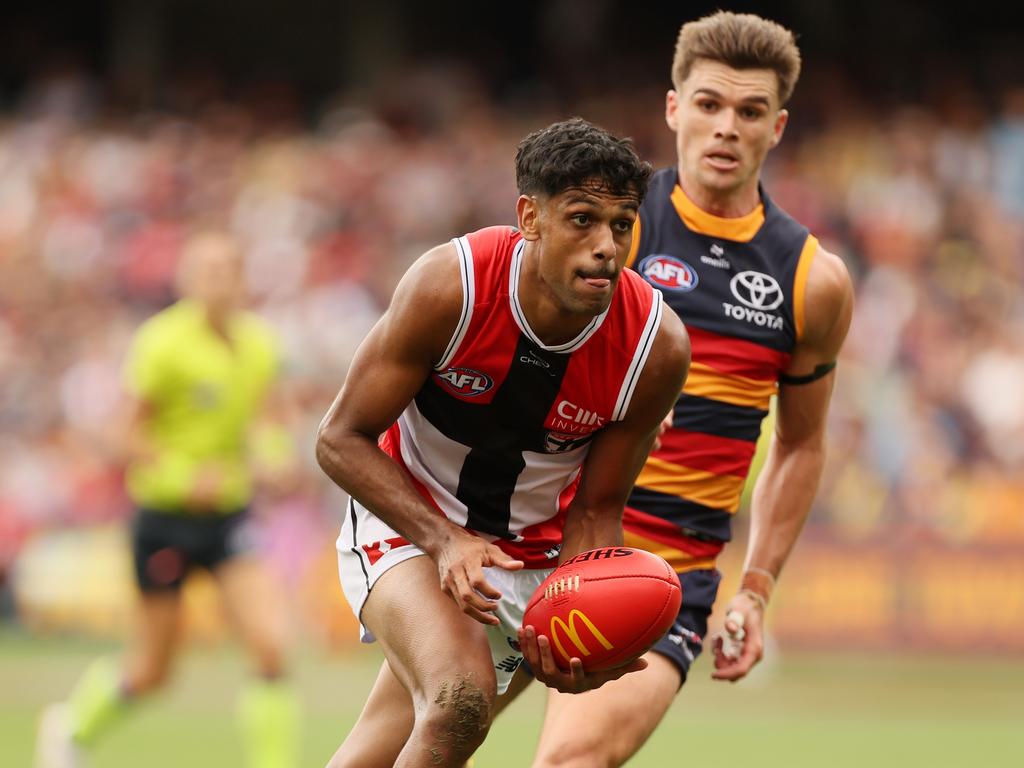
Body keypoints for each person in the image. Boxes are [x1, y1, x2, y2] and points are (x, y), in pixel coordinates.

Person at [522, 12, 855, 767]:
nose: (726, 127)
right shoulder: (611, 231)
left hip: (653, 572)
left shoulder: (812, 281)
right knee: (439, 724)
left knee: (569, 761)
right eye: (708, 104)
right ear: (674, 109)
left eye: (749, 111)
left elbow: (801, 445)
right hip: (533, 532)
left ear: (778, 127)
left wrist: (757, 588)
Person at [315, 117, 691, 768]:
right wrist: (442, 539)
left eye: (622, 225)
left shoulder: (655, 348)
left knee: (383, 749)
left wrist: (579, 621)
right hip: (410, 520)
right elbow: (339, 439)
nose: (606, 245)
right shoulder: (449, 287)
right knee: (461, 700)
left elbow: (598, 510)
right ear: (530, 217)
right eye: (582, 219)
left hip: (532, 558)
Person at [35, 231, 301, 768]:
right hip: (166, 519)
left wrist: (275, 457)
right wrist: (185, 477)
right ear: (185, 279)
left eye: (227, 269)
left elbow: (269, 419)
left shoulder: (258, 344)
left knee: (271, 646)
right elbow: (121, 434)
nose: (217, 281)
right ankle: (69, 729)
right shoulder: (161, 343)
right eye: (205, 270)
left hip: (229, 516)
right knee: (153, 670)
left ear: (241, 278)